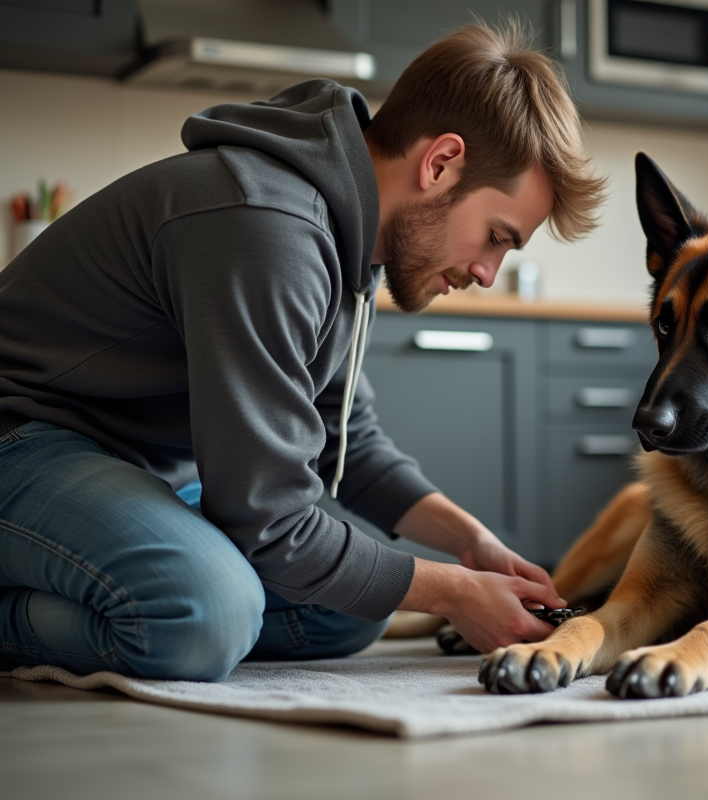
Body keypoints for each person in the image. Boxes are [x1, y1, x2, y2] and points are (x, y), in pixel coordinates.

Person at [0, 23, 606, 681]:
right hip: (26, 440)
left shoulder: (349, 241)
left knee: (351, 607)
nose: (488, 273)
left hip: (138, 470)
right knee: (205, 613)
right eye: (496, 236)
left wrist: (474, 546)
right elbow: (271, 516)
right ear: (440, 164)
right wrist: (453, 593)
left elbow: (351, 441)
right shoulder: (270, 229)